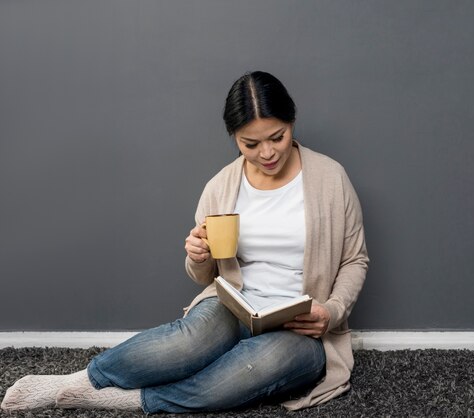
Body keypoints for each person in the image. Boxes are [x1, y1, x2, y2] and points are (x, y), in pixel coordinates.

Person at [1, 71, 369, 413]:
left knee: (250, 370)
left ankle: (131, 400)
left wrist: (331, 312)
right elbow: (202, 276)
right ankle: (79, 381)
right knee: (185, 343)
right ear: (234, 137)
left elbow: (355, 260)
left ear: (291, 122)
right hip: (236, 307)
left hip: (300, 325)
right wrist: (197, 256)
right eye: (250, 144)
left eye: (277, 137)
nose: (267, 153)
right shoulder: (222, 186)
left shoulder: (330, 179)